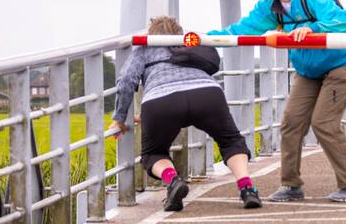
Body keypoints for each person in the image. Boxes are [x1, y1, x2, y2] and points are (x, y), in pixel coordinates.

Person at [209, 0, 346, 202]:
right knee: (291, 124)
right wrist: (205, 39)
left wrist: (313, 28)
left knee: (323, 123)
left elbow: (343, 21)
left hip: (338, 67)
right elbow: (241, 29)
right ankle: (291, 185)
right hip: (308, 72)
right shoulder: (269, 7)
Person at [109, 16, 261, 211]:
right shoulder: (190, 42)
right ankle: (247, 188)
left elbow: (126, 81)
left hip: (161, 101)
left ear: (151, 34)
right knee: (231, 142)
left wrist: (119, 118)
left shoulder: (143, 48)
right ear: (179, 32)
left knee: (153, 153)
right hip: (206, 93)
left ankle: (173, 181)